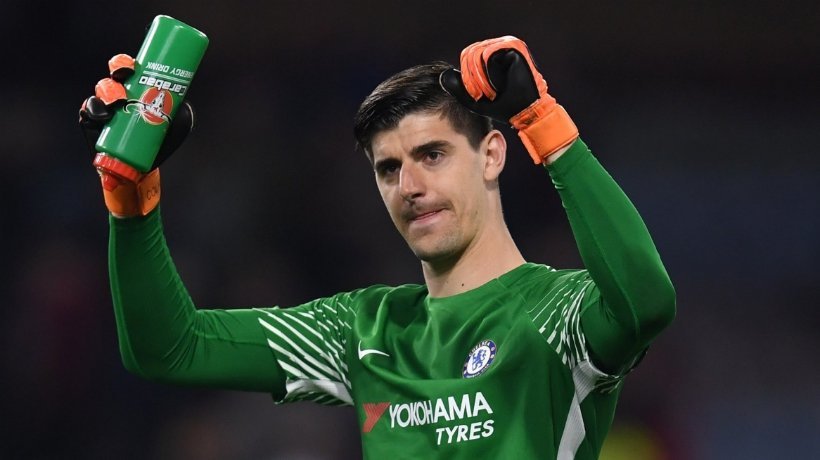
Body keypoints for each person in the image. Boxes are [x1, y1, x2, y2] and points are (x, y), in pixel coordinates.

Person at [79, 36, 676, 459]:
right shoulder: (364, 330)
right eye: (388, 169)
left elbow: (646, 302)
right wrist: (131, 202)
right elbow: (170, 349)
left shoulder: (558, 311)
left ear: (493, 154)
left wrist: (543, 122)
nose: (410, 187)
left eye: (432, 155)